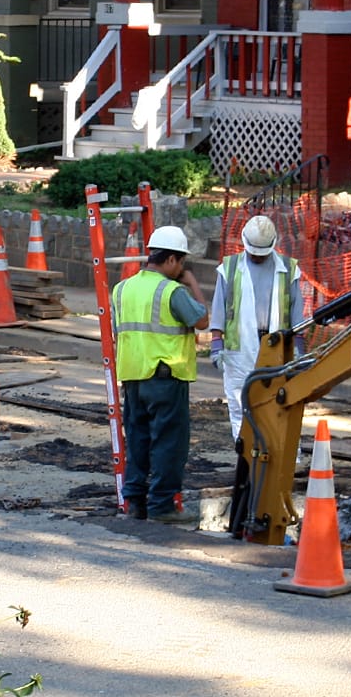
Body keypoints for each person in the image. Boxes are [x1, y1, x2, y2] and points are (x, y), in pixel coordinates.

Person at [111, 224, 209, 523]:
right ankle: (163, 505)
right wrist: (191, 282)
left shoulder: (122, 288)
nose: (182, 268)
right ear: (171, 261)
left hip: (132, 376)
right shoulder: (172, 290)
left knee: (138, 440)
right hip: (166, 377)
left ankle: (135, 503)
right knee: (169, 442)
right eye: (182, 263)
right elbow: (202, 320)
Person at [207, 214, 306, 440]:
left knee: (279, 403)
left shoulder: (289, 270)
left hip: (277, 347)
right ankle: (247, 460)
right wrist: (216, 343)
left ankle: (282, 460)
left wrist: (299, 347)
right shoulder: (230, 268)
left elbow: (296, 311)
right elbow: (220, 307)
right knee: (240, 404)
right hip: (239, 350)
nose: (257, 257)